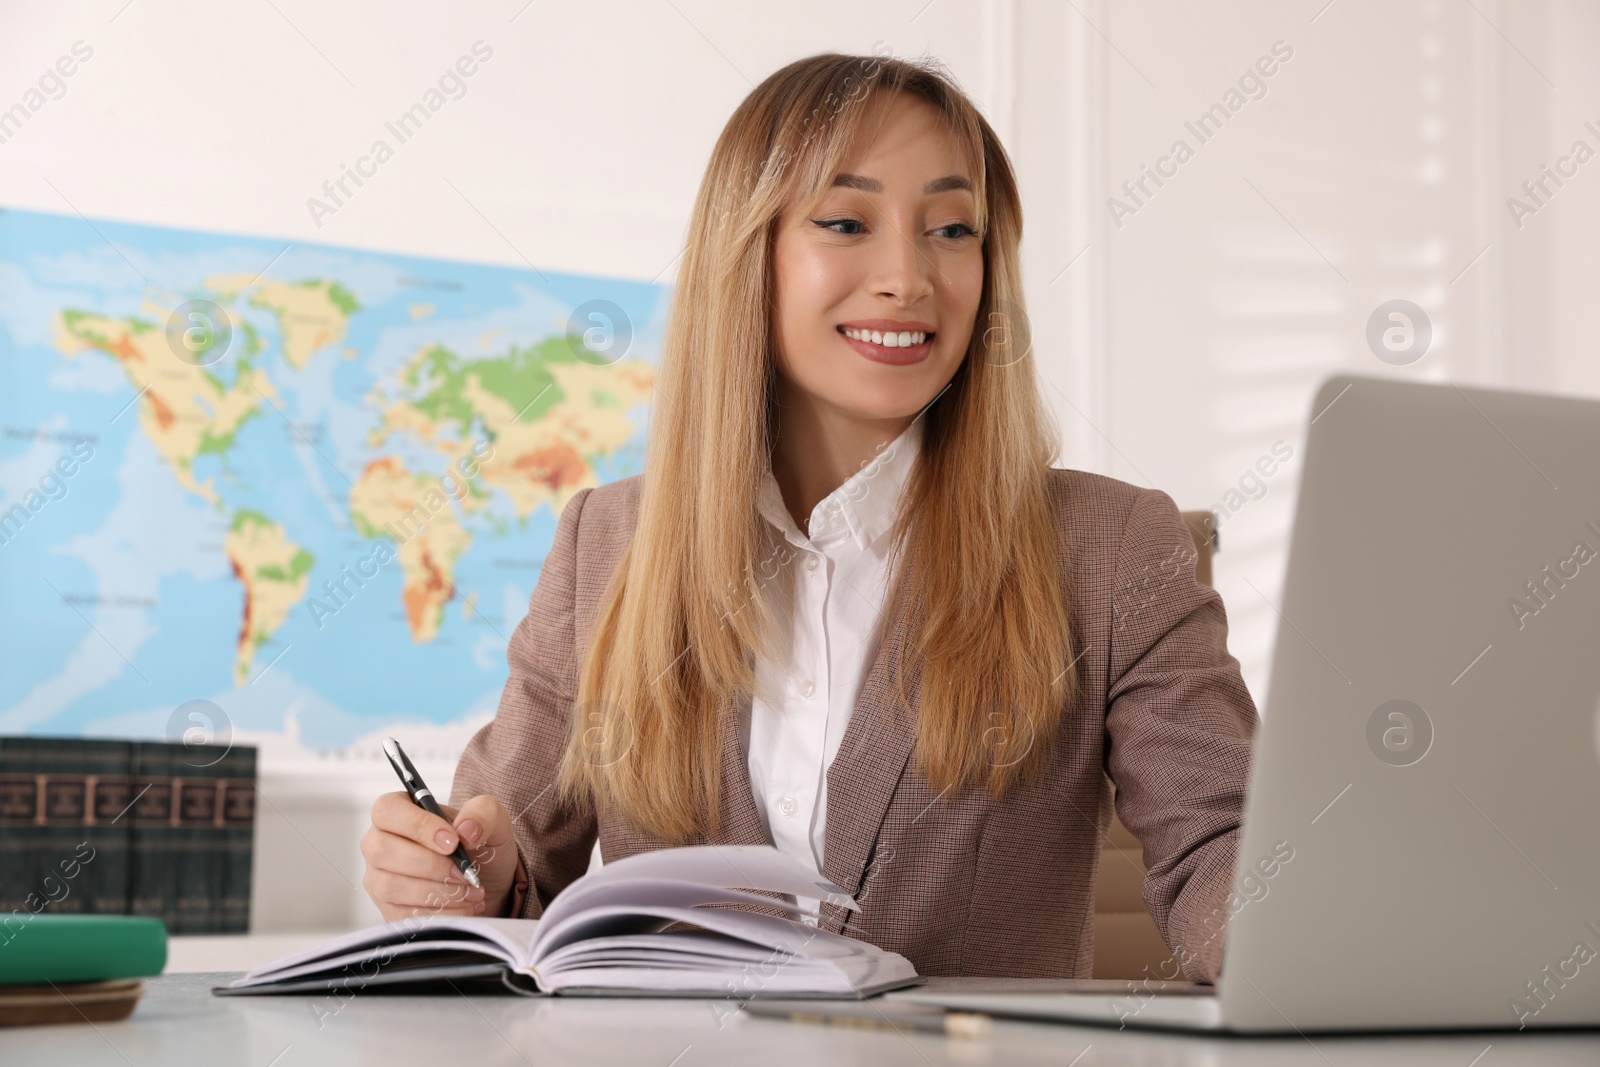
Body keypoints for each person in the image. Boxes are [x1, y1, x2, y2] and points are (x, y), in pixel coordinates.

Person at [360, 51, 1258, 984]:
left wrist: (1301, 908)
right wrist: (462, 876)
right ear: (748, 254)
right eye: (845, 221)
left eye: (953, 229)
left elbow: (1226, 855)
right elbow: (509, 872)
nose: (909, 276)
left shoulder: (1111, 549)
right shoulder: (605, 543)